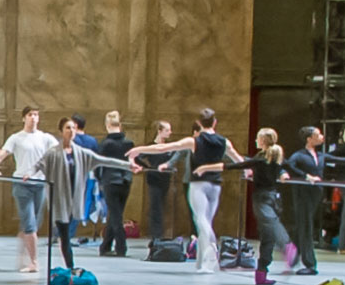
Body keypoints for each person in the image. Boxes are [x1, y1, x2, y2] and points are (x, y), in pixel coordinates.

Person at [135, 108, 241, 274]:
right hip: (215, 185)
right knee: (205, 222)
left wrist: (139, 150)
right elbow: (237, 159)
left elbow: (165, 148)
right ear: (215, 122)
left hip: (198, 184)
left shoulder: (194, 141)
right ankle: (201, 262)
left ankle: (211, 253)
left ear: (199, 123)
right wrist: (248, 169)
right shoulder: (224, 141)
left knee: (201, 221)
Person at [0, 105, 58, 273]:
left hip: (39, 184)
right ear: (24, 118)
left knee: (32, 225)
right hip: (22, 184)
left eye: (36, 115)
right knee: (30, 225)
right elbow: (2, 155)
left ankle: (23, 254)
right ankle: (34, 262)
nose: (33, 118)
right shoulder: (16, 138)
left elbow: (59, 152)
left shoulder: (45, 138)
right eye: (30, 115)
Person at [39, 114, 100, 272]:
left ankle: (69, 264)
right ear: (61, 131)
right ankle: (70, 265)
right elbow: (39, 164)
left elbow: (102, 160)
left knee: (67, 231)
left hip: (76, 197)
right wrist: (28, 173)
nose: (71, 131)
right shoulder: (54, 151)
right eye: (68, 128)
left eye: (73, 127)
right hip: (60, 198)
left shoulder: (80, 150)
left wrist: (128, 165)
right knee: (65, 233)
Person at [236, 129, 292, 285]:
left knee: (269, 233)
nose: (255, 140)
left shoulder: (261, 158)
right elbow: (284, 167)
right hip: (274, 198)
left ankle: (286, 248)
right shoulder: (275, 156)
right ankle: (261, 273)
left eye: (257, 138)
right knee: (268, 237)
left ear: (263, 140)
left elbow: (241, 165)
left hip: (262, 198)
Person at [285, 125, 325, 275]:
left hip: (315, 194)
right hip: (302, 194)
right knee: (306, 226)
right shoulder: (299, 155)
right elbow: (288, 165)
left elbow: (342, 160)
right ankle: (310, 263)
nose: (321, 137)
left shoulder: (320, 155)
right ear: (309, 139)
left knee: (303, 225)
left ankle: (292, 253)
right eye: (318, 135)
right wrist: (305, 176)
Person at [97, 111, 136, 258]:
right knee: (116, 214)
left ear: (107, 125)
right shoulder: (129, 143)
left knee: (115, 215)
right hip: (126, 180)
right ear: (120, 125)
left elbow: (98, 163)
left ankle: (121, 246)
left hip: (110, 180)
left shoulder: (105, 144)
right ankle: (105, 246)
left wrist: (99, 179)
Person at [142, 119, 180, 248]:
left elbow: (174, 159)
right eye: (167, 130)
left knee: (163, 208)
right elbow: (139, 157)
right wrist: (147, 167)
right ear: (159, 131)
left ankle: (162, 234)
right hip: (154, 180)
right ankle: (156, 236)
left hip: (166, 180)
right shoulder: (150, 146)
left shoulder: (169, 148)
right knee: (155, 208)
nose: (170, 132)